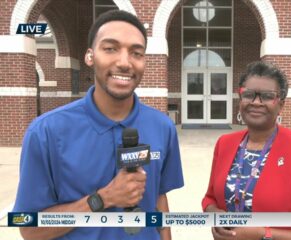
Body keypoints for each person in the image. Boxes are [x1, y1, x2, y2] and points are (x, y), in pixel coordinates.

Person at [13, 10, 184, 240]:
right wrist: (103, 198)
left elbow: (159, 197)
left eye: (136, 52)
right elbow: (30, 228)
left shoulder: (163, 127)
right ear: (90, 56)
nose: (124, 62)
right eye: (110, 48)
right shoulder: (45, 133)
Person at [202, 61, 291, 240]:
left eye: (267, 96)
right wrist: (215, 215)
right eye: (249, 95)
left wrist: (263, 234)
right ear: (240, 100)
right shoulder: (225, 143)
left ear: (281, 105)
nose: (256, 102)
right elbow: (210, 198)